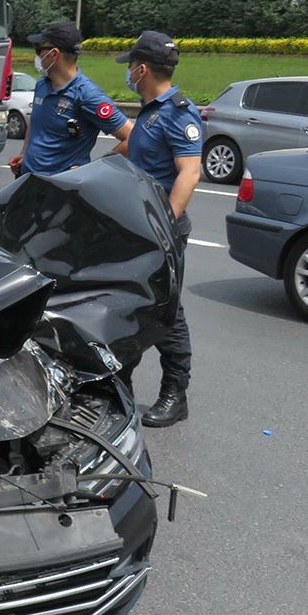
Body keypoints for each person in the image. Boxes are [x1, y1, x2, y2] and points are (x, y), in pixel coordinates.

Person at [115, 31, 203, 428]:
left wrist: (165, 225)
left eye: (131, 66)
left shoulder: (178, 112)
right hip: (136, 228)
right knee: (130, 305)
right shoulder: (151, 110)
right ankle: (119, 383)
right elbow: (134, 150)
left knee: (166, 311)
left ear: (143, 68)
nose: (129, 73)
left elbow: (190, 172)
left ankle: (175, 392)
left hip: (160, 231)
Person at [10, 22, 131, 178]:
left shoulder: (87, 94)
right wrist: (24, 154)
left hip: (61, 191)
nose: (37, 56)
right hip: (28, 183)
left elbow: (132, 137)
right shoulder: (42, 84)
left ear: (54, 54)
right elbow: (36, 122)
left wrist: (94, 170)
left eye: (39, 49)